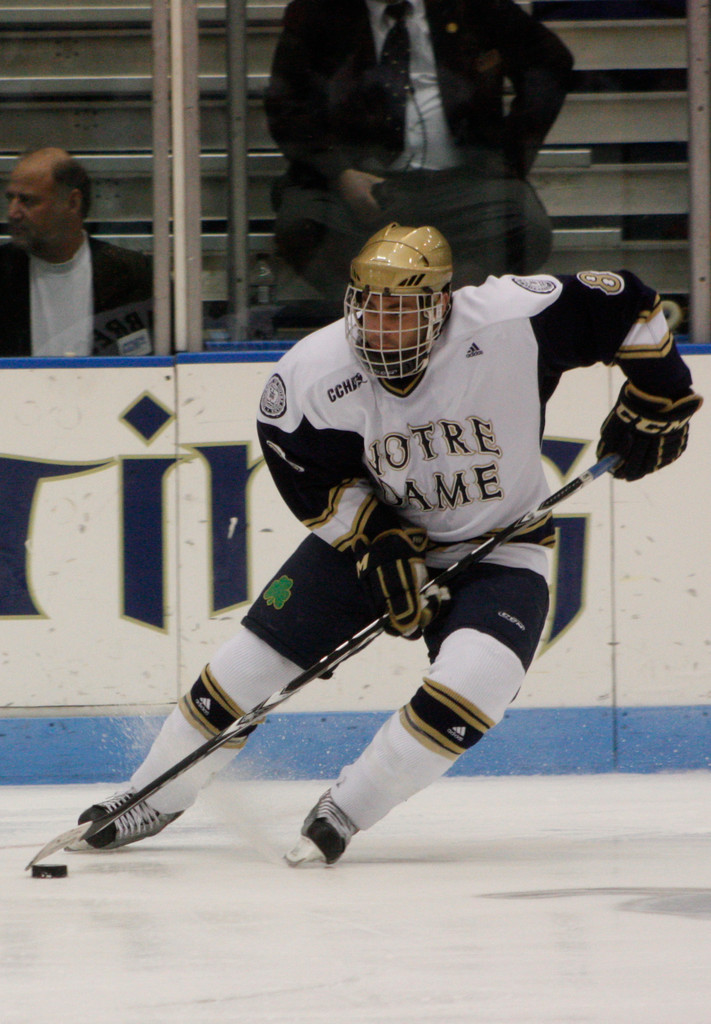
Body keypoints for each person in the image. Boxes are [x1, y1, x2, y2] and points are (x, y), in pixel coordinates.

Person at [69, 223, 701, 866]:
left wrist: (661, 392)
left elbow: (626, 300)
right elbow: (308, 477)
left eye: (400, 309)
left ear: (442, 305)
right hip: (375, 541)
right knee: (250, 663)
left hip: (502, 547)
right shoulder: (313, 375)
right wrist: (372, 536)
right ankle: (148, 794)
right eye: (368, 305)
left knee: (477, 683)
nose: (378, 325)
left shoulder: (511, 319)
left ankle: (344, 812)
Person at [264, 0, 574, 303]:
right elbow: (286, 104)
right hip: (360, 185)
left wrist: (509, 155)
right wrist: (339, 171)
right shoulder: (320, 11)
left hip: (462, 182)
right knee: (300, 223)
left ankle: (449, 309)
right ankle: (368, 312)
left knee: (527, 228)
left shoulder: (473, 6)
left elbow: (549, 61)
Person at [0, 147, 153, 357]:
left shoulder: (136, 276)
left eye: (27, 200)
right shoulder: (3, 272)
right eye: (11, 199)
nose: (12, 213)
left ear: (73, 202)